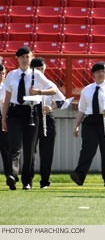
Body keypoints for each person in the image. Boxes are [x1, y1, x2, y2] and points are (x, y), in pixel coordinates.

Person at [1, 46, 56, 190]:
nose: (25, 59)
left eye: (27, 57)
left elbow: (53, 89)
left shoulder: (36, 74)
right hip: (14, 112)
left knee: (29, 148)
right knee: (14, 145)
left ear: (31, 58)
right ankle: (12, 175)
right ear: (17, 59)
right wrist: (3, 117)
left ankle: (27, 181)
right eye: (22, 57)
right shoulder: (11, 75)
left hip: (31, 111)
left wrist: (39, 91)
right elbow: (7, 98)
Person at [71, 62, 105, 187]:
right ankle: (79, 175)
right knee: (87, 149)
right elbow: (82, 109)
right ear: (93, 74)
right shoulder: (87, 89)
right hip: (90, 121)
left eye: (103, 71)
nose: (101, 74)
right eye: (98, 72)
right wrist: (76, 125)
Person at [29, 57, 66, 189]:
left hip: (47, 117)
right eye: (36, 69)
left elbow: (62, 101)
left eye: (41, 68)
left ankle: (45, 181)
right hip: (31, 115)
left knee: (47, 151)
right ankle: (28, 180)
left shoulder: (50, 84)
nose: (39, 71)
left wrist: (51, 107)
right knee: (30, 150)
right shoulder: (28, 83)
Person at [0, 64, 10, 179]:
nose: (1, 76)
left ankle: (9, 175)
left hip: (3, 119)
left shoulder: (6, 88)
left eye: (3, 73)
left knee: (6, 149)